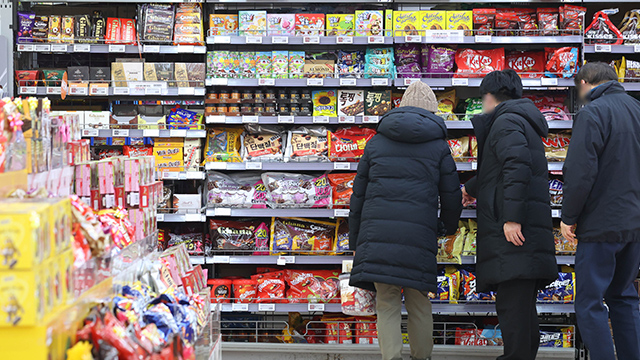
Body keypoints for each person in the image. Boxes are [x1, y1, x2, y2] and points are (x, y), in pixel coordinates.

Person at [349, 81, 462, 360]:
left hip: (377, 236)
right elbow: (451, 196)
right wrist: (446, 228)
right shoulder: (438, 146)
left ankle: (391, 357)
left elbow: (358, 195)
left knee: (386, 303)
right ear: (432, 111)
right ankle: (421, 357)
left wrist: (355, 239)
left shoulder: (376, 142)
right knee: (418, 302)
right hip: (418, 237)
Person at [461, 69, 557, 360]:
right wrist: (471, 187)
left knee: (512, 308)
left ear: (490, 97)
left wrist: (511, 217)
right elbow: (499, 168)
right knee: (522, 307)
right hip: (525, 229)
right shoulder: (519, 120)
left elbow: (516, 167)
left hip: (515, 230)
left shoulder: (506, 122)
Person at [561, 62, 640, 360]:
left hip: (600, 226)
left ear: (583, 83)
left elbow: (580, 172)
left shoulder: (592, 113)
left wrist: (569, 217)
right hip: (634, 224)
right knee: (624, 297)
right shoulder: (637, 109)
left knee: (590, 303)